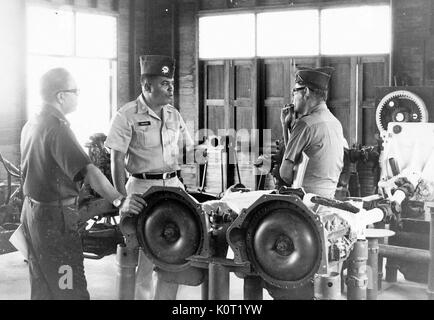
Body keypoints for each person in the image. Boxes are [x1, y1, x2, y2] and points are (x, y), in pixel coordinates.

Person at [20, 68, 147, 300]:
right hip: (56, 220)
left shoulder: (32, 123)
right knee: (69, 286)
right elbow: (89, 171)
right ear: (61, 96)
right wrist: (120, 199)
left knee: (43, 287)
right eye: (75, 91)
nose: (78, 95)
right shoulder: (58, 129)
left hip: (32, 214)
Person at [105, 55, 193, 300]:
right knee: (142, 261)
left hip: (173, 187)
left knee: (175, 254)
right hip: (142, 189)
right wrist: (122, 199)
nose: (171, 88)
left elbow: (188, 148)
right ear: (147, 86)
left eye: (172, 83)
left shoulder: (173, 114)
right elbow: (116, 160)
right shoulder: (126, 115)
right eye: (165, 83)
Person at [279, 67, 344, 198]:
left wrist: (287, 127)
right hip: (327, 197)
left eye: (294, 92)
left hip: (304, 201)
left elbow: (285, 173)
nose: (293, 99)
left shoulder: (305, 124)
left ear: (306, 91)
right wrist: (286, 126)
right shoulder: (336, 123)